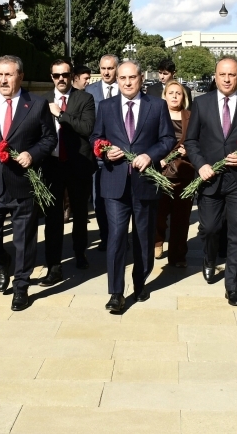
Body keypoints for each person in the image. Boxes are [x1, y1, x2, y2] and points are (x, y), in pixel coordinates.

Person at [0, 55, 57, 312]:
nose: (3, 80)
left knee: (25, 240)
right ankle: (2, 260)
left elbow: (49, 139)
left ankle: (21, 287)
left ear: (20, 76)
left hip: (22, 184)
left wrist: (33, 154)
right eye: (0, 75)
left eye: (9, 75)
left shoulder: (36, 104)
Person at [90, 61, 175, 313]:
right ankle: (116, 292)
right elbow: (96, 138)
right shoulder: (106, 107)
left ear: (141, 79)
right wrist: (105, 152)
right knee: (116, 237)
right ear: (117, 80)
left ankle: (140, 282)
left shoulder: (156, 106)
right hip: (114, 183)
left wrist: (150, 155)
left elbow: (168, 139)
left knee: (143, 237)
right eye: (122, 78)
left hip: (145, 181)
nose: (127, 82)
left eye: (132, 78)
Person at [184, 56, 237, 307]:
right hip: (210, 178)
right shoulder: (202, 103)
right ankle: (209, 258)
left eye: (232, 75)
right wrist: (201, 165)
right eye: (222, 74)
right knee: (210, 228)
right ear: (216, 76)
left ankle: (233, 286)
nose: (227, 79)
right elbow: (191, 140)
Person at [37, 59, 97, 285]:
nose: (61, 79)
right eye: (56, 75)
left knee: (80, 213)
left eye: (65, 74)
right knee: (52, 217)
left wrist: (61, 115)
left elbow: (87, 128)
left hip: (77, 163)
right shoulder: (42, 100)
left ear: (72, 76)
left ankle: (80, 253)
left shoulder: (84, 98)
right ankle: (54, 265)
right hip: (52, 165)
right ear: (51, 77)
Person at [154, 80, 196, 267]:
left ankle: (178, 256)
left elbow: (198, 140)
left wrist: (190, 151)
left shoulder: (191, 117)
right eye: (170, 93)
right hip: (161, 173)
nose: (174, 96)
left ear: (183, 97)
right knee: (159, 214)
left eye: (178, 93)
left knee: (181, 217)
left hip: (184, 172)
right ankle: (157, 240)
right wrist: (158, 158)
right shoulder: (156, 115)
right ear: (164, 96)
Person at [86, 54, 120, 250]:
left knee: (119, 201)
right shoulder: (90, 91)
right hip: (97, 156)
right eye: (103, 68)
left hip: (121, 155)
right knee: (98, 199)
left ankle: (119, 237)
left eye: (110, 68)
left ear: (117, 69)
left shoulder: (125, 89)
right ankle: (106, 237)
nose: (106, 72)